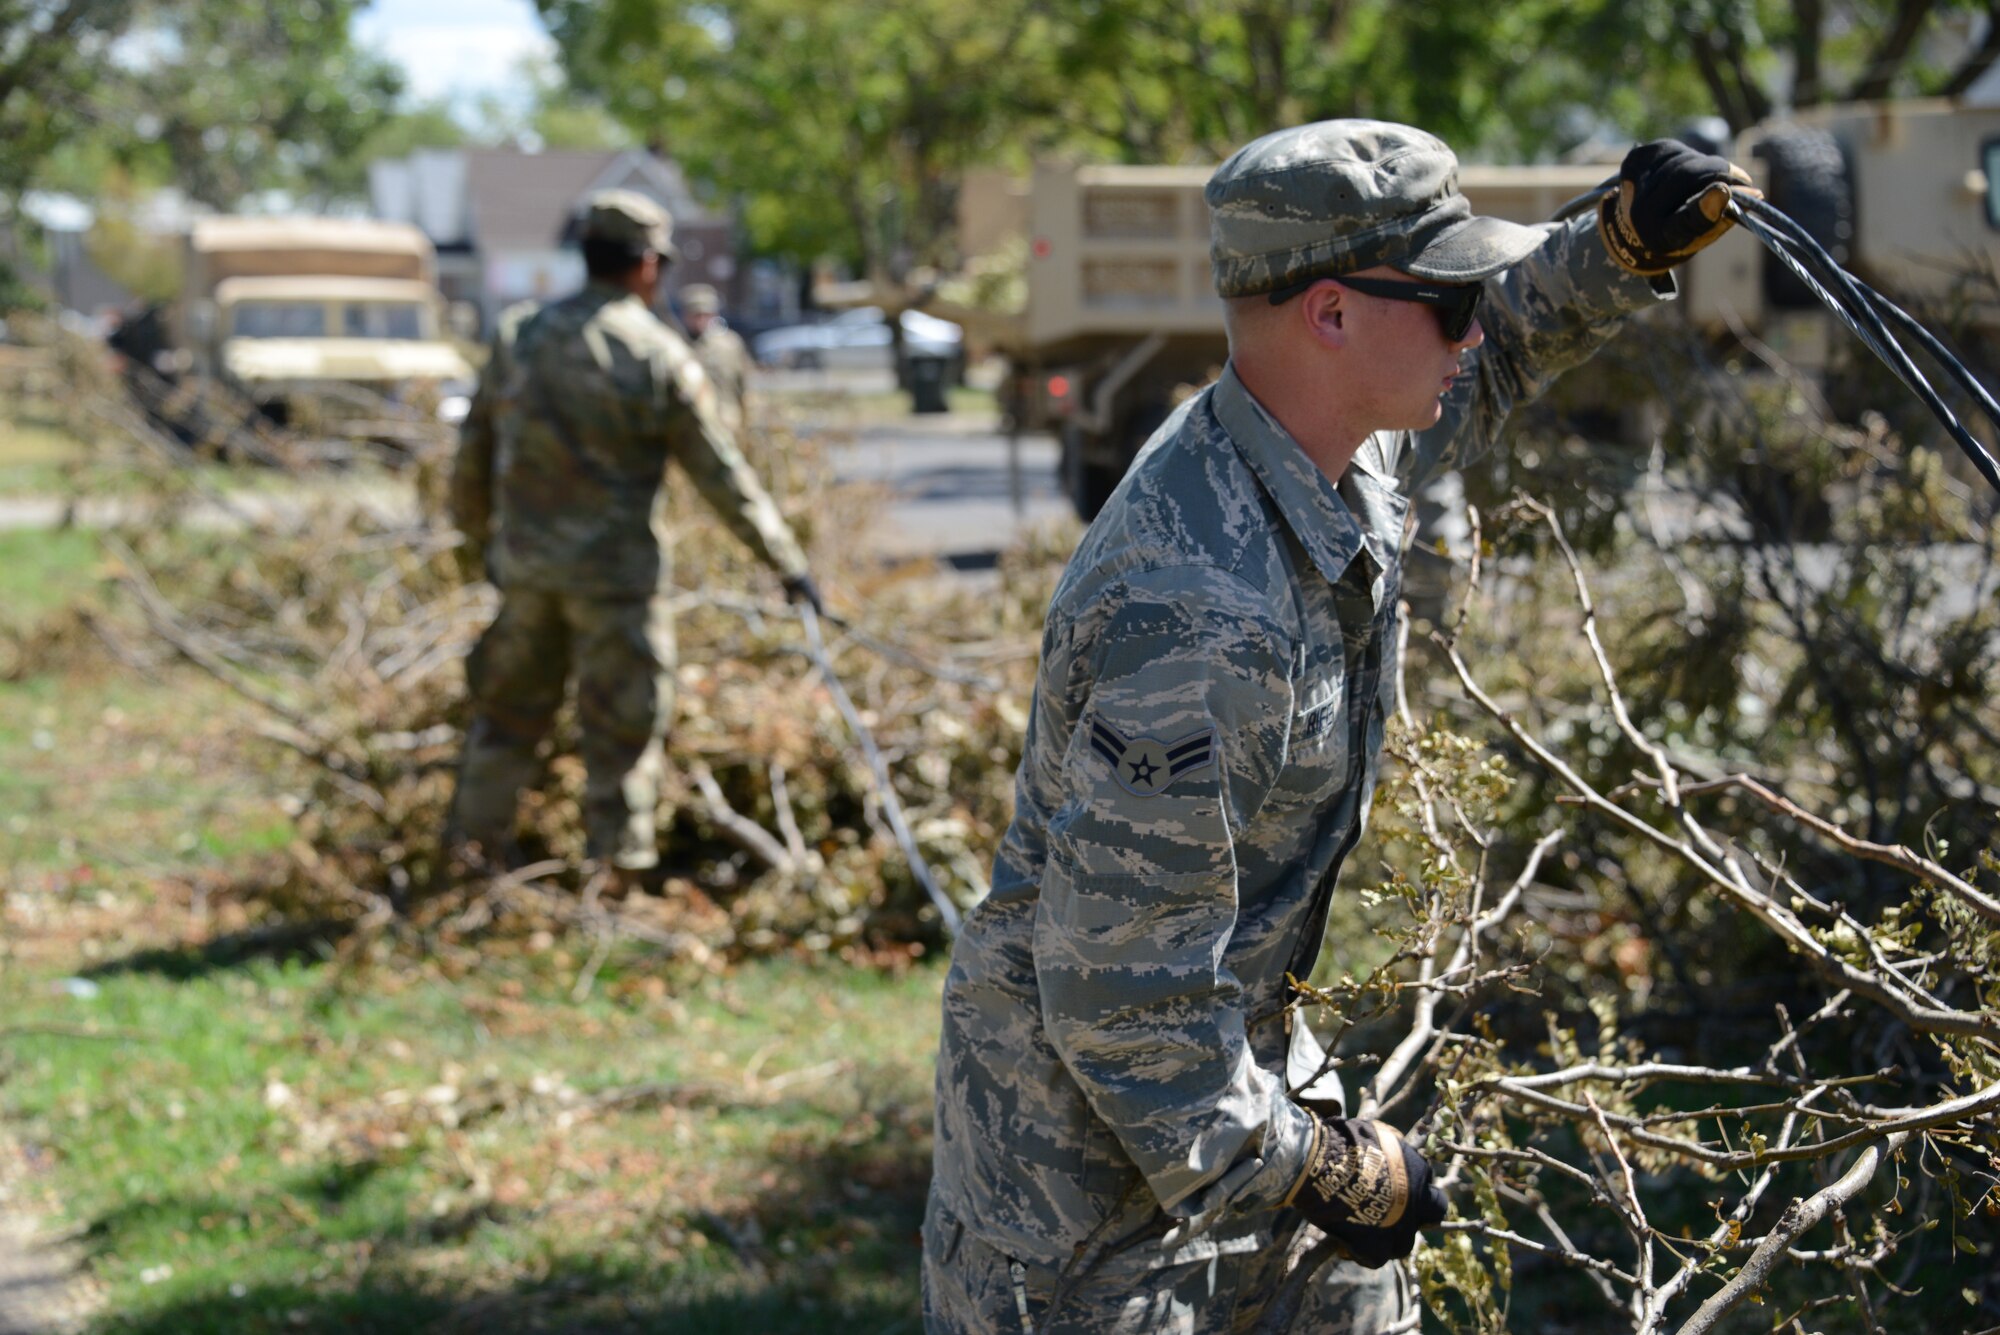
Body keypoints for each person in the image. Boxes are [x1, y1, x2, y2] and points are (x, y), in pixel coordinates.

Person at [923, 122, 1752, 1333]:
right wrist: (1325, 1170)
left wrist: (1619, 246)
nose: (1472, 324)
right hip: (1085, 1203)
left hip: (1237, 1068)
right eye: (1448, 294)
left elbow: (1500, 344)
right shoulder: (1193, 612)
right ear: (1328, 314)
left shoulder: (1337, 445)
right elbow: (1117, 998)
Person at [446, 189, 824, 888]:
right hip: (616, 585)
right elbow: (723, 474)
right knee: (621, 738)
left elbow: (469, 459)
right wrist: (787, 562)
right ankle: (612, 887)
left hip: (527, 575)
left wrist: (477, 552)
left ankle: (470, 866)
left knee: (503, 723)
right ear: (647, 265)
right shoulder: (657, 354)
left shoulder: (519, 338)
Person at [678, 282, 753, 434]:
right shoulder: (677, 345)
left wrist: (747, 424)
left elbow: (744, 386)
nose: (700, 320)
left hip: (727, 423)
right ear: (685, 316)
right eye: (695, 315)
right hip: (691, 428)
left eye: (705, 314)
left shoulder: (730, 345)